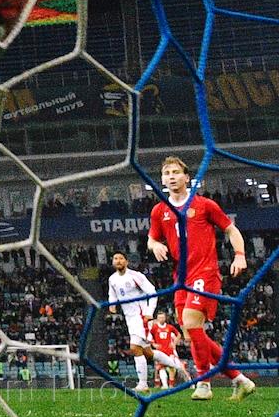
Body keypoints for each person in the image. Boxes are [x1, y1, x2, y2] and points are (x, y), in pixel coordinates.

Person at [147, 156, 255, 401]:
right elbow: (152, 238)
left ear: (187, 178)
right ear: (162, 179)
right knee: (192, 334)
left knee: (191, 323)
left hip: (205, 273)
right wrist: (155, 245)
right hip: (180, 278)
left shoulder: (205, 205)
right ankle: (240, 379)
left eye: (176, 172)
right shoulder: (159, 211)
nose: (171, 177)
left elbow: (231, 229)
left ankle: (204, 383)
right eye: (167, 173)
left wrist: (240, 255)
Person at [107, 251, 188, 392]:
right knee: (148, 353)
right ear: (113, 262)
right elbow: (112, 294)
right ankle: (178, 366)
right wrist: (112, 304)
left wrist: (149, 312)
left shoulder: (136, 276)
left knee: (134, 348)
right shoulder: (112, 279)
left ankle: (143, 384)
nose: (118, 260)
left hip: (141, 317)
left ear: (126, 261)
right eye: (115, 258)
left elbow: (152, 292)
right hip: (129, 318)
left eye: (121, 258)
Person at [149, 311, 185, 388]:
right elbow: (149, 336)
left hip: (169, 351)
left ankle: (171, 384)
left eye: (162, 317)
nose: (161, 319)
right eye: (159, 317)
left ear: (165, 318)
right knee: (161, 367)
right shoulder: (154, 327)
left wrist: (174, 343)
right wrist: (153, 344)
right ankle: (164, 385)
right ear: (157, 318)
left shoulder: (170, 327)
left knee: (172, 367)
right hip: (160, 351)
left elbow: (179, 335)